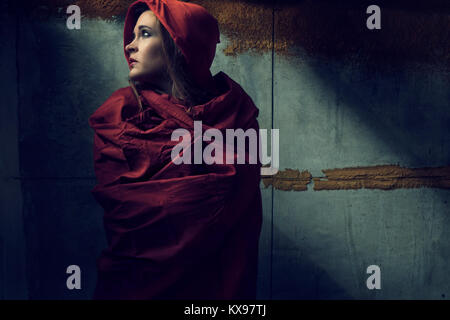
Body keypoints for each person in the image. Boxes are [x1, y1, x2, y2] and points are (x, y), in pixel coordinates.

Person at [88, 0, 263, 300]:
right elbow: (127, 218)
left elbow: (236, 229)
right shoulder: (118, 118)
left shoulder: (235, 120)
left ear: (178, 45)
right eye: (132, 36)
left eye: (144, 34)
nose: (129, 46)